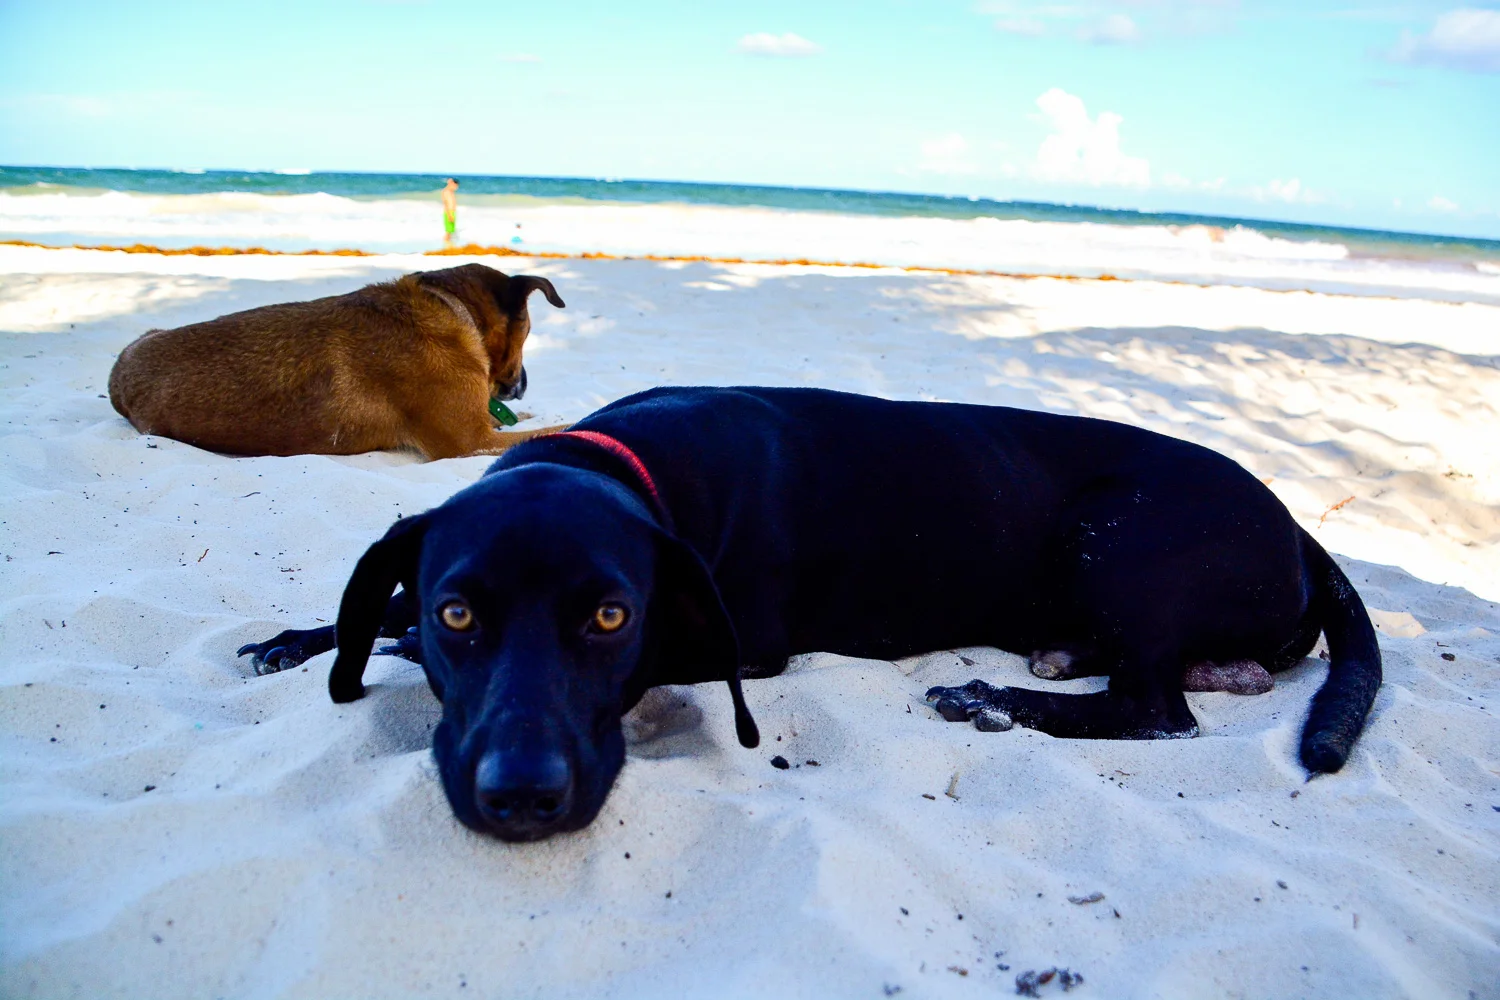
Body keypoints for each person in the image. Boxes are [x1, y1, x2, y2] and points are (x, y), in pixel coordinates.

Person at [441, 178, 459, 244]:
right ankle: (446, 245)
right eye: (455, 186)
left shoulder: (451, 192)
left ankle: (449, 245)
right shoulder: (446, 191)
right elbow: (446, 203)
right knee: (448, 231)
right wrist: (449, 214)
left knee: (451, 231)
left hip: (452, 212)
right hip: (448, 212)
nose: (456, 188)